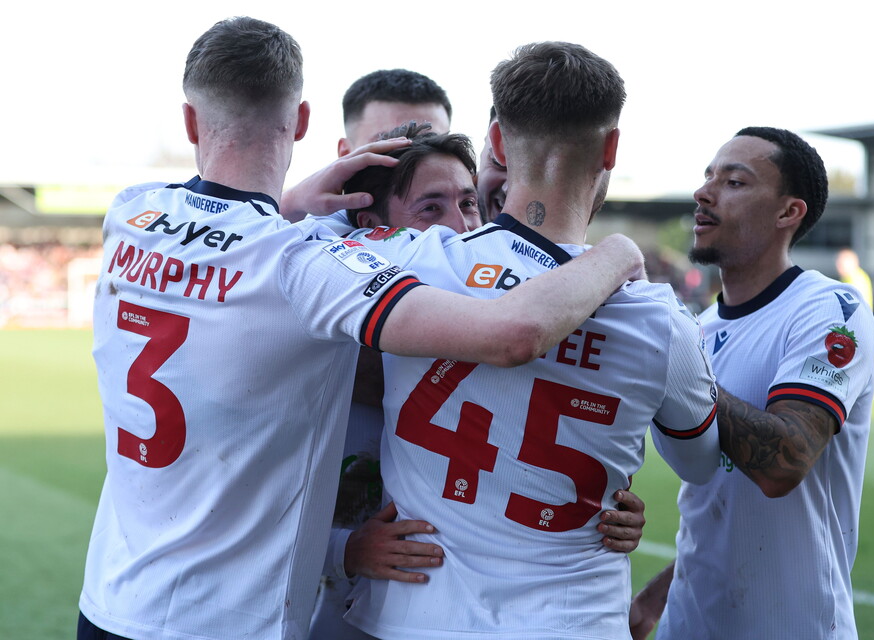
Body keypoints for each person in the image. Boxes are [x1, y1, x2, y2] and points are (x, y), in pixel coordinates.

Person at [75, 18, 647, 640]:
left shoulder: (132, 210)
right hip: (233, 622)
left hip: (109, 602)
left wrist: (291, 202)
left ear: (191, 122)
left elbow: (226, 236)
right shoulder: (307, 266)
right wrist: (616, 253)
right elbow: (514, 334)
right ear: (302, 122)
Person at [339, 42, 720, 640]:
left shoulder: (411, 260)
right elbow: (699, 462)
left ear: (494, 141)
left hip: (417, 616)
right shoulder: (660, 318)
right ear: (611, 149)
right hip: (573, 623)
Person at [311, 122, 648, 640]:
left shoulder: (499, 304)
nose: (458, 228)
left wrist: (599, 507)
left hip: (420, 610)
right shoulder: (316, 334)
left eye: (468, 204)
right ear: (366, 227)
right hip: (320, 612)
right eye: (430, 209)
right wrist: (342, 550)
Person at [629, 128, 874, 639]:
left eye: (735, 182)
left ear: (789, 212)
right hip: (690, 623)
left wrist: (675, 373)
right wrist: (656, 596)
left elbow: (784, 463)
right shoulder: (696, 331)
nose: (704, 192)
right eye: (707, 177)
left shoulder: (829, 310)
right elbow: (717, 499)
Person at [281, 69, 452, 223]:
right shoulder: (320, 230)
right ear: (345, 153)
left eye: (429, 141)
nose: (413, 157)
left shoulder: (474, 222)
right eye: (388, 143)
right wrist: (293, 203)